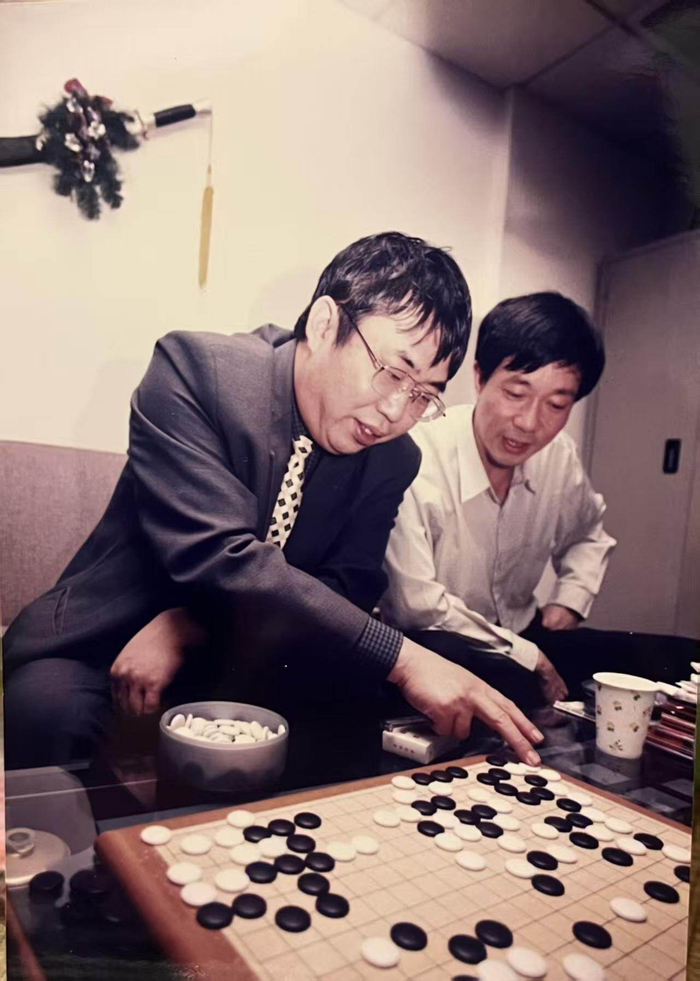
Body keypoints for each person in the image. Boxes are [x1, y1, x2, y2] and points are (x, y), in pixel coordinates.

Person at [4, 233, 544, 769]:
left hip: (246, 651)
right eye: (393, 373)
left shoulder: (394, 458)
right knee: (46, 711)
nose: (395, 412)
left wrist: (188, 626)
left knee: (448, 681)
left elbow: (347, 590)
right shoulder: (196, 372)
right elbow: (221, 559)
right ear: (325, 324)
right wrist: (401, 659)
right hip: (110, 637)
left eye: (424, 395)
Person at [380, 291, 625, 706]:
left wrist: (570, 601)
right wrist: (529, 656)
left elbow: (589, 535)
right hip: (437, 649)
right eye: (515, 393)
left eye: (556, 404)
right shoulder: (416, 457)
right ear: (479, 378)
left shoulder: (558, 456)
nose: (529, 423)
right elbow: (416, 607)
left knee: (650, 659)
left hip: (523, 634)